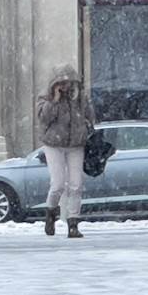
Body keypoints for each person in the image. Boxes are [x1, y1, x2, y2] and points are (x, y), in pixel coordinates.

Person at [36, 64, 95, 239]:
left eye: (69, 82)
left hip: (76, 145)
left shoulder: (80, 97)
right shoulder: (46, 97)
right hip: (53, 144)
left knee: (76, 185)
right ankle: (50, 214)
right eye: (62, 82)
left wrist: (85, 127)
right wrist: (53, 100)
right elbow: (44, 118)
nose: (66, 86)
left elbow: (90, 117)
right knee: (58, 185)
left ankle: (73, 224)